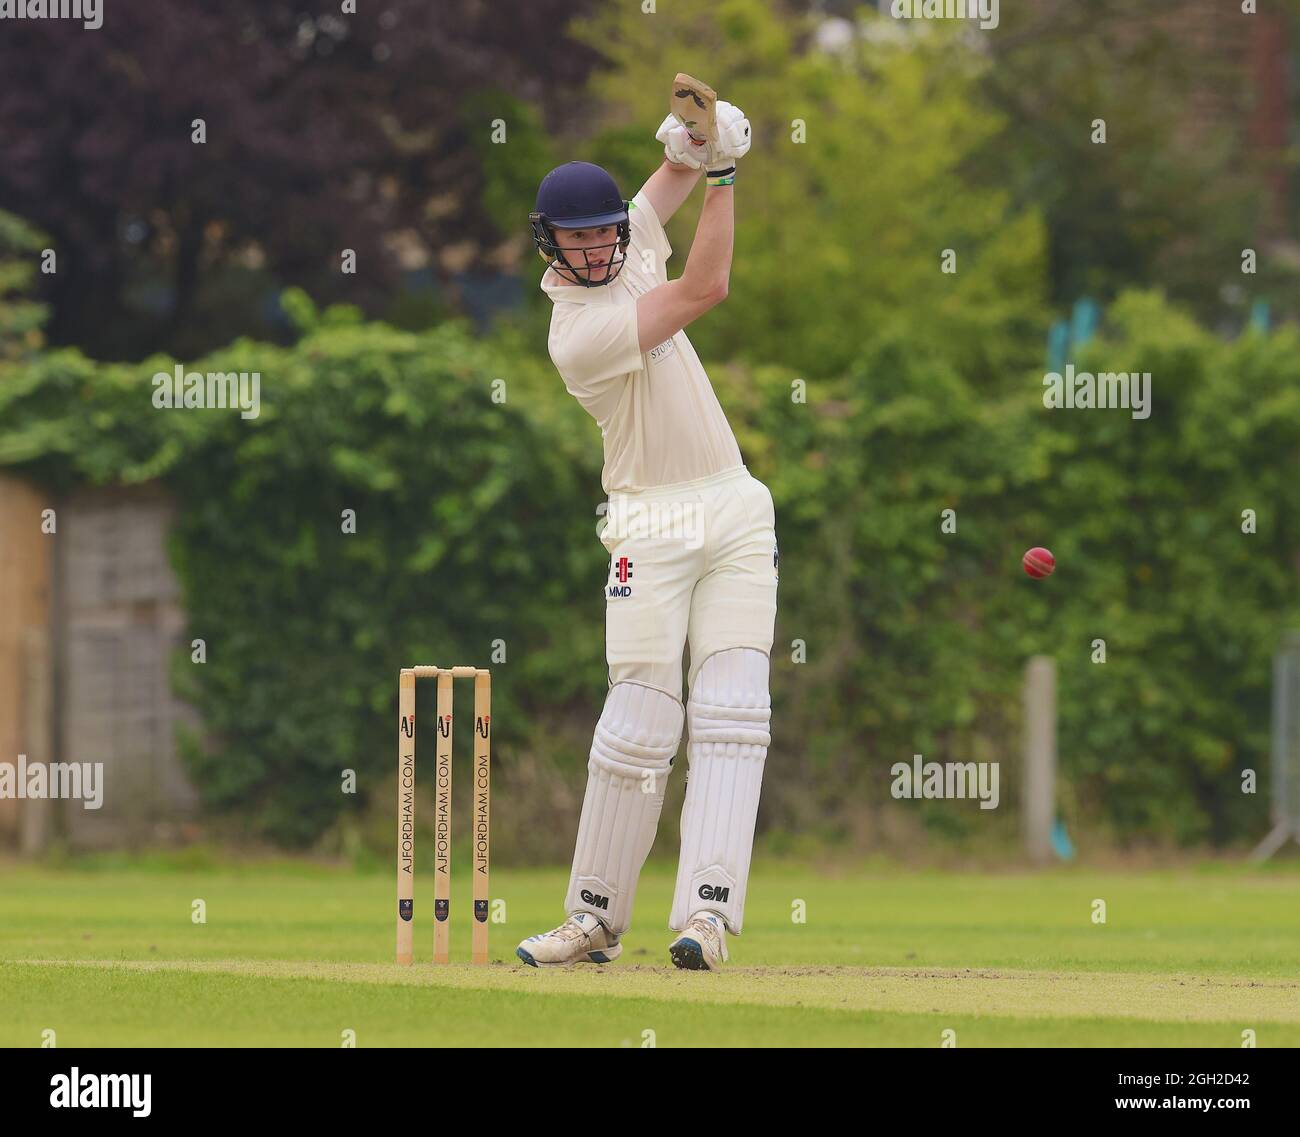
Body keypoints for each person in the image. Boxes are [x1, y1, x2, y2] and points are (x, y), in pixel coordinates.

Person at [515, 91, 775, 971]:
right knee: (638, 719)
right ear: (549, 243)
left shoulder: (627, 244)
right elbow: (707, 288)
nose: (595, 249)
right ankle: (593, 919)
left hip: (734, 504)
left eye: (603, 233)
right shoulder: (577, 332)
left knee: (735, 712)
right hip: (648, 521)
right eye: (576, 238)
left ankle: (706, 914)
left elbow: (665, 181)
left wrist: (692, 142)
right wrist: (727, 174)